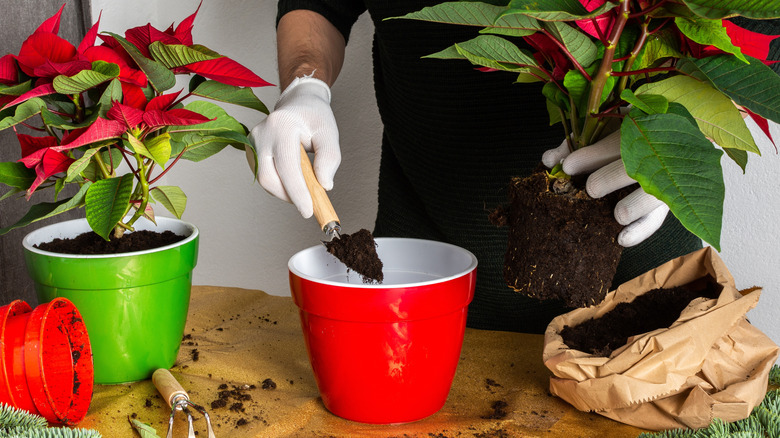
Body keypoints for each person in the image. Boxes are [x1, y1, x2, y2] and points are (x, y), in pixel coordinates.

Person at [250, 1, 702, 333]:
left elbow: (756, 30)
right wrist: (303, 84)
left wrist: (677, 134)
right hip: (426, 274)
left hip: (642, 272)